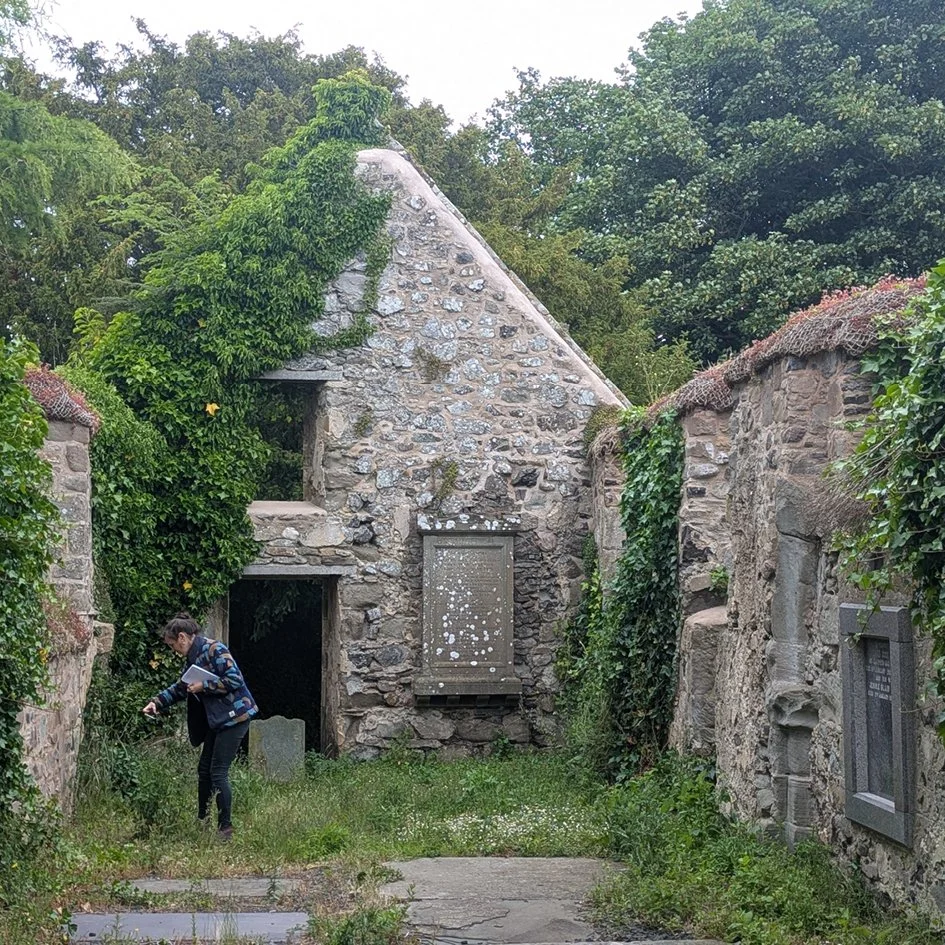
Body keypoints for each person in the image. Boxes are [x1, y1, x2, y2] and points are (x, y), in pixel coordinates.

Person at [142, 612, 258, 840]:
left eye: (173, 644)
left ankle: (225, 828)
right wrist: (156, 702)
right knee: (204, 770)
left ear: (183, 637)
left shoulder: (216, 649)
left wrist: (204, 686)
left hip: (235, 718)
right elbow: (180, 687)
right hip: (217, 721)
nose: (173, 649)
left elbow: (235, 680)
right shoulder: (193, 655)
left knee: (218, 772)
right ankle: (202, 820)